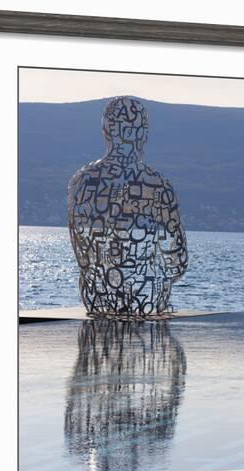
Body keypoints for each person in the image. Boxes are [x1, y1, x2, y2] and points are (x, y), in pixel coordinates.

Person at [68, 96, 188, 318]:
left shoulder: (81, 182)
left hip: (98, 298)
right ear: (143, 134)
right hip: (147, 301)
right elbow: (177, 264)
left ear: (106, 131)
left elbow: (81, 256)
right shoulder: (158, 186)